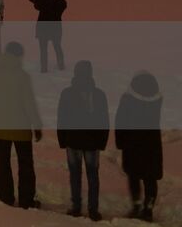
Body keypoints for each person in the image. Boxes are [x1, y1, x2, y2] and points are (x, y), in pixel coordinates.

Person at [0, 41, 43, 209]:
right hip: (21, 126)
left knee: (3, 163)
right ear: (18, 55)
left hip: (0, 125)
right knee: (25, 164)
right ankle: (26, 200)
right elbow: (29, 103)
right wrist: (36, 125)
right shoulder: (21, 76)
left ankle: (6, 197)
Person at [56, 60, 109, 221]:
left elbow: (62, 118)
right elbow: (103, 120)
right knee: (93, 176)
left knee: (75, 175)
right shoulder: (99, 94)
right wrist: (102, 141)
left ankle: (76, 206)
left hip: (73, 141)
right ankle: (93, 209)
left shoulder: (67, 93)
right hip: (92, 142)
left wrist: (62, 139)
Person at [115, 71, 163, 222]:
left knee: (133, 175)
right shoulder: (157, 101)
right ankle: (148, 208)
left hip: (132, 143)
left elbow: (120, 122)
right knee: (150, 178)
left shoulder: (127, 100)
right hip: (151, 144)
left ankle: (136, 205)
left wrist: (120, 142)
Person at [30, 0, 68, 71]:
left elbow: (33, 1)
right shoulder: (62, 3)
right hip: (56, 28)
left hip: (43, 27)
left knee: (43, 49)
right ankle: (61, 66)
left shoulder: (44, 1)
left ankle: (44, 68)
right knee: (57, 47)